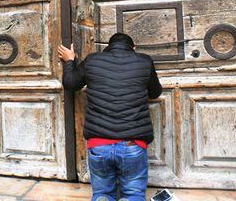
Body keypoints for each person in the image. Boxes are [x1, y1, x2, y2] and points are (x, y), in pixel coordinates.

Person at [58, 33, 162, 201]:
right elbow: (155, 92)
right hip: (132, 145)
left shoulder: (92, 60)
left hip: (99, 145)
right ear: (133, 49)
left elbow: (71, 83)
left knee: (102, 195)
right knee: (133, 194)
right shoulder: (144, 61)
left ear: (108, 48)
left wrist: (70, 61)